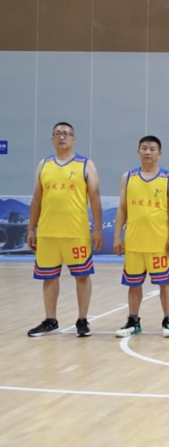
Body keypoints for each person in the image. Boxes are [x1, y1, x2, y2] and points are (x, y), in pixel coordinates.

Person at [26, 122, 104, 337]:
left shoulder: (86, 165)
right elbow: (36, 199)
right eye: (58, 134)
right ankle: (50, 321)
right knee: (49, 277)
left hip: (76, 233)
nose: (62, 137)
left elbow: (95, 199)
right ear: (52, 139)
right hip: (48, 233)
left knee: (82, 276)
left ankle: (82, 320)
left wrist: (97, 229)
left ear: (74, 139)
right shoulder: (43, 164)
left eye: (67, 134)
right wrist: (31, 229)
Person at [114, 136, 169, 338]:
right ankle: (133, 321)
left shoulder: (168, 178)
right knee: (134, 284)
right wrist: (117, 236)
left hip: (159, 242)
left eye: (152, 149)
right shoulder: (128, 177)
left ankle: (168, 320)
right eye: (144, 148)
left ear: (159, 153)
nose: (148, 152)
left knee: (164, 283)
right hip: (134, 242)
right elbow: (122, 208)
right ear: (138, 152)